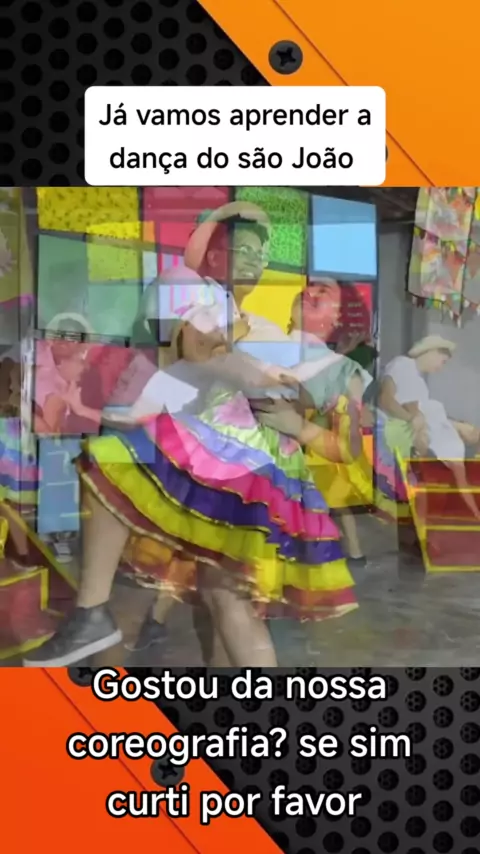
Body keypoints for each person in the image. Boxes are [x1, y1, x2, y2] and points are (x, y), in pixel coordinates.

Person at [23, 201, 362, 668]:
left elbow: (315, 414)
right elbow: (200, 356)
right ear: (212, 252)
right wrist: (260, 377)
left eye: (259, 253)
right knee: (218, 599)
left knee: (225, 599)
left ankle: (92, 614)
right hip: (223, 464)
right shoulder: (198, 296)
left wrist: (293, 412)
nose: (253, 260)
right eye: (241, 249)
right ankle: (94, 615)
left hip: (244, 474)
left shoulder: (268, 332)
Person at [377, 335, 480, 527]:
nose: (441, 367)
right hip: (395, 436)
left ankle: (421, 532)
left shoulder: (418, 380)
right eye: (443, 361)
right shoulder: (403, 364)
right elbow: (386, 400)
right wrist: (414, 420)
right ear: (432, 351)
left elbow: (420, 414)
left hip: (414, 438)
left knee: (422, 493)